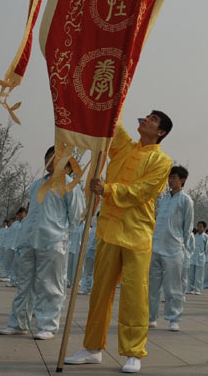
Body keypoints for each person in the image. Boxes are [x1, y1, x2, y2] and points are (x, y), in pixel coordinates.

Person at [65, 110, 174, 374]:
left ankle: (133, 352)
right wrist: (111, 94)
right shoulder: (124, 147)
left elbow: (142, 191)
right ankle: (92, 348)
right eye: (147, 116)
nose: (146, 119)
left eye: (153, 119)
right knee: (100, 291)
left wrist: (107, 189)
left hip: (137, 234)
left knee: (134, 295)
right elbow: (113, 122)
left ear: (161, 132)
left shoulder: (162, 161)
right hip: (109, 230)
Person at [0, 146, 84, 339]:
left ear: (66, 164)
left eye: (54, 158)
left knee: (50, 285)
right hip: (30, 240)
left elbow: (76, 215)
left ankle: (48, 325)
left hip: (53, 241)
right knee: (24, 284)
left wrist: (61, 235)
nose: (49, 161)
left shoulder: (70, 185)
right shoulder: (37, 184)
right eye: (47, 157)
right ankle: (18, 323)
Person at [148, 166, 194, 332]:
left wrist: (185, 250)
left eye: (174, 178)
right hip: (156, 247)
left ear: (182, 180)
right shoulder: (164, 199)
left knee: (173, 287)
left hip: (174, 249)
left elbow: (188, 228)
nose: (170, 181)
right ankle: (151, 317)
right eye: (169, 178)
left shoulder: (186, 200)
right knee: (152, 286)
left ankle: (173, 318)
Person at [187, 221, 208, 295]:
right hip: (193, 258)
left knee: (199, 275)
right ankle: (190, 288)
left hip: (201, 258)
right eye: (198, 226)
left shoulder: (206, 237)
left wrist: (203, 255)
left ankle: (198, 289)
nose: (199, 228)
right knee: (191, 275)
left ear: (204, 228)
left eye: (201, 226)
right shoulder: (195, 236)